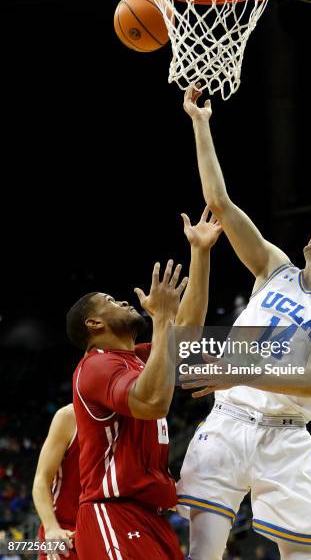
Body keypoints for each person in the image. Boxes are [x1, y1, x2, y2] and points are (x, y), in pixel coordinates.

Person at [178, 84, 311, 560]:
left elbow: (308, 381)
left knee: (302, 556)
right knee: (202, 552)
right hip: (226, 422)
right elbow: (219, 203)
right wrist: (201, 124)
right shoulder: (274, 267)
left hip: (284, 434)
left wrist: (235, 369)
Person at [67, 208, 221, 560]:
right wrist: (163, 318)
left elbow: (188, 333)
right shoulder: (95, 367)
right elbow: (151, 403)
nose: (122, 300)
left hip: (149, 516)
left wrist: (200, 252)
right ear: (93, 323)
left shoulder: (138, 357)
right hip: (112, 512)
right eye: (110, 301)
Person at [32, 404, 79, 560]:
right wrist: (51, 527)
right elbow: (40, 481)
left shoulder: (132, 419)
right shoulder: (68, 416)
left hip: (110, 527)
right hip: (65, 533)